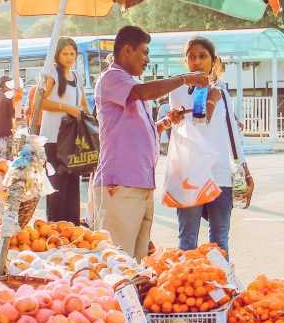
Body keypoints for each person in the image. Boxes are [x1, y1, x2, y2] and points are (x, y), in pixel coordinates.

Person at [88, 26, 209, 260]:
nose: (147, 59)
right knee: (118, 262)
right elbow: (143, 93)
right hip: (120, 185)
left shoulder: (129, 83)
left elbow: (137, 129)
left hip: (140, 183)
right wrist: (184, 79)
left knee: (137, 262)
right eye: (143, 52)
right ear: (126, 50)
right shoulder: (112, 78)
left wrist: (164, 123)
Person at [168, 37, 255, 253]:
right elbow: (197, 123)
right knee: (187, 241)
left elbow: (232, 134)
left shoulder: (222, 92)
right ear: (185, 61)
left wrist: (245, 171)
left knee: (219, 242)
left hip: (220, 175)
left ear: (213, 61)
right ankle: (187, 283)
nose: (197, 61)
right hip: (190, 175)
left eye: (202, 56)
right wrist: (207, 101)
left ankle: (220, 285)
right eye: (191, 57)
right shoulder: (177, 91)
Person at [40, 37, 88, 224]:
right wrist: (66, 108)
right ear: (57, 55)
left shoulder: (76, 76)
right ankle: (55, 227)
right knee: (57, 185)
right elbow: (41, 103)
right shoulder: (51, 74)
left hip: (73, 139)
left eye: (72, 53)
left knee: (72, 184)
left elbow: (82, 102)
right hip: (53, 139)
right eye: (65, 53)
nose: (69, 57)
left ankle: (72, 226)